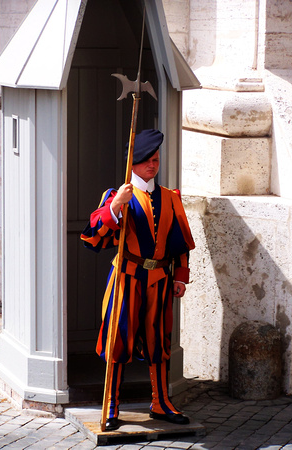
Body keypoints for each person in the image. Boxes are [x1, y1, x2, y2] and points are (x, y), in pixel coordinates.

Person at [81, 129, 195, 431]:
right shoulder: (116, 197)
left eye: (155, 160)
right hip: (127, 279)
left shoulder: (170, 198)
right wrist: (116, 205)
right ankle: (111, 405)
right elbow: (94, 240)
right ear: (133, 163)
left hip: (159, 279)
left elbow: (180, 244)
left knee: (160, 342)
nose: (152, 166)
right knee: (117, 341)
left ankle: (161, 402)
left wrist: (180, 277)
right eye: (146, 161)